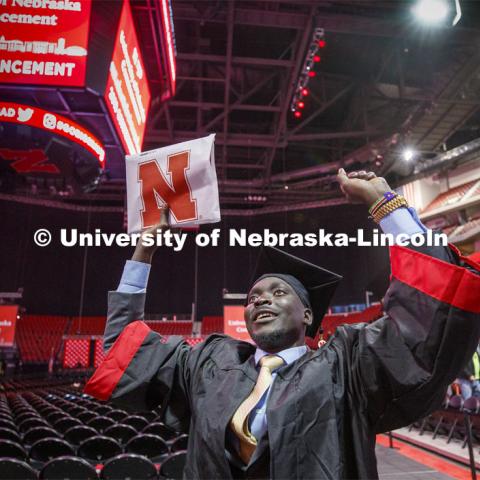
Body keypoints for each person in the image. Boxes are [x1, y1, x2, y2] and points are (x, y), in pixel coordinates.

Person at [85, 170, 480, 479]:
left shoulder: (347, 367)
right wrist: (143, 251)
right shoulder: (208, 363)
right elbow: (125, 352)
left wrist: (386, 207)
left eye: (277, 292)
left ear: (308, 315)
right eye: (254, 297)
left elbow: (428, 316)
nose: (261, 300)